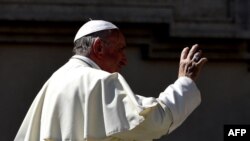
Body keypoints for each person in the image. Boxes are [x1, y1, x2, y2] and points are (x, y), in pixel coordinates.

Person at [14, 20, 207, 141]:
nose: (124, 59)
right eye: (120, 49)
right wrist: (184, 82)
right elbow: (152, 121)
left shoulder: (53, 83)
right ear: (98, 47)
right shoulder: (99, 81)